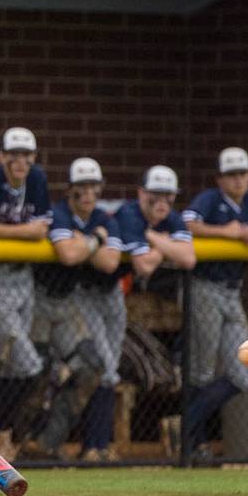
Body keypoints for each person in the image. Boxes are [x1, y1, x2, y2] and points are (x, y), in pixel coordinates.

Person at [181, 147, 248, 459]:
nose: (238, 180)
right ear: (220, 179)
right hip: (204, 288)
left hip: (232, 291)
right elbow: (186, 223)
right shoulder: (210, 200)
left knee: (243, 372)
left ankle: (188, 424)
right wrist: (224, 232)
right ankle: (192, 443)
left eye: (242, 174)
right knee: (200, 369)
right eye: (231, 175)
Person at [24, 158, 121, 460]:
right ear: (70, 191)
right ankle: (17, 440)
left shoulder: (105, 218)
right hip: (39, 299)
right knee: (34, 372)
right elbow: (67, 254)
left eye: (94, 187)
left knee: (93, 367)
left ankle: (47, 442)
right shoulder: (60, 213)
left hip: (68, 304)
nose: (88, 194)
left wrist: (86, 245)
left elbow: (111, 263)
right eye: (81, 188)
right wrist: (95, 241)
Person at [0, 127, 51, 454]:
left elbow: (42, 231)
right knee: (28, 363)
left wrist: (19, 233)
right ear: (2, 157)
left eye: (26, 155)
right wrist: (25, 232)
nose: (21, 161)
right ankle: (10, 431)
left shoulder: (38, 179)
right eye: (13, 155)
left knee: (8, 364)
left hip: (24, 277)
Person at [71, 161, 160, 462]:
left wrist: (157, 241)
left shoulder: (120, 217)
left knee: (110, 370)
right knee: (103, 367)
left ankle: (99, 446)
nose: (160, 203)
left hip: (112, 295)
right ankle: (92, 446)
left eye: (167, 196)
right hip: (84, 294)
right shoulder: (124, 216)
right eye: (153, 196)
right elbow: (126, 263)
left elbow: (113, 261)